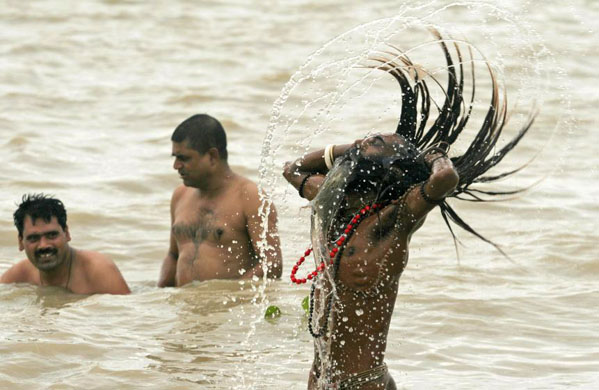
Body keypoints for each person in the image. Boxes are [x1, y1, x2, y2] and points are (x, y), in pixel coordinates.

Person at [283, 31, 536, 390]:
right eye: (373, 137)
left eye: (383, 142)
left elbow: (445, 178)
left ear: (392, 170)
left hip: (365, 383)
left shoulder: (394, 220)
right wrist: (348, 147)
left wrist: (435, 155)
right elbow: (292, 169)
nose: (374, 136)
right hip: (320, 378)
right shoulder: (332, 201)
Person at [158, 114, 282, 287]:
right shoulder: (180, 195)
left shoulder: (250, 197)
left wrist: (230, 297)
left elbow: (272, 263)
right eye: (175, 158)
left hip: (228, 310)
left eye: (184, 158)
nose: (176, 166)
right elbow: (173, 255)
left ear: (212, 156)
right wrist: (161, 296)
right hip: (184, 309)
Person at [1, 194, 130, 295]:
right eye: (33, 238)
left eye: (52, 235)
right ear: (20, 241)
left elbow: (126, 321)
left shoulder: (99, 270)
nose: (43, 245)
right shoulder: (20, 275)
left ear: (67, 233)